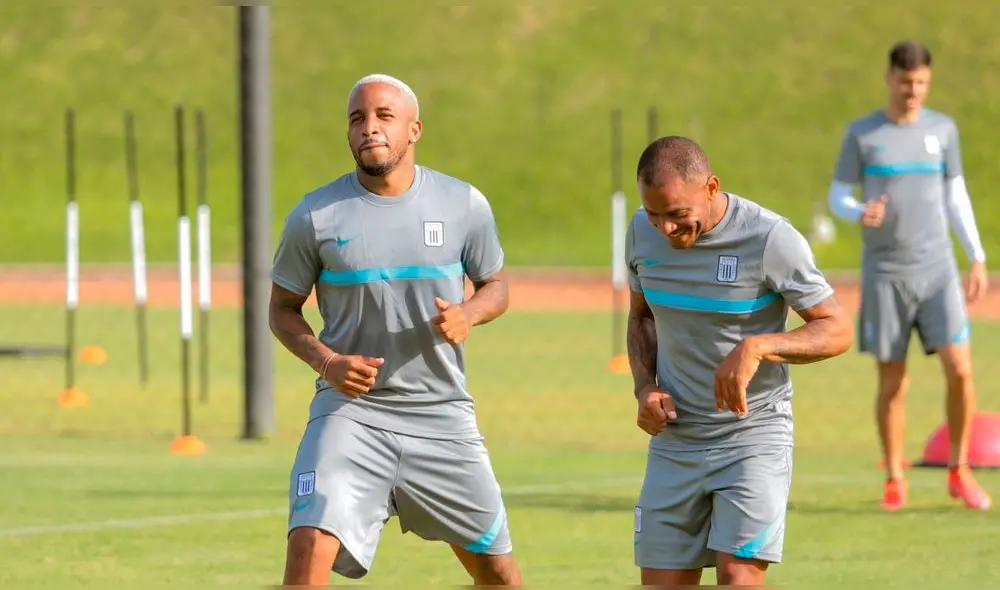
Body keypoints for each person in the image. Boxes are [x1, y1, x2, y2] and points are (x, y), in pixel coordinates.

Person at [268, 73, 522, 586]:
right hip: (350, 413)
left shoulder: (463, 204)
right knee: (308, 542)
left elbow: (495, 286)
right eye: (357, 119)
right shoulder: (314, 215)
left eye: (384, 116)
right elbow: (282, 309)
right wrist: (327, 362)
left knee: (498, 574)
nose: (370, 128)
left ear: (414, 129)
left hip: (441, 414)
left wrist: (469, 313)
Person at [627, 136, 853, 586]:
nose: (665, 228)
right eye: (654, 214)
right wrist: (644, 387)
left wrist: (758, 347)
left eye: (677, 214)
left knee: (739, 578)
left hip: (752, 437)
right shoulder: (640, 231)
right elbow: (641, 317)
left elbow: (838, 328)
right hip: (675, 440)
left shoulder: (769, 238)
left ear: (711, 187)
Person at [828, 40, 991, 511]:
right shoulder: (863, 134)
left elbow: (956, 195)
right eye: (905, 81)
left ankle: (959, 470)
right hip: (886, 272)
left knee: (960, 368)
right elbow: (838, 196)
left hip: (937, 269)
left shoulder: (943, 130)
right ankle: (895, 478)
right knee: (893, 381)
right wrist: (859, 211)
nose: (913, 90)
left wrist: (976, 255)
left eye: (921, 82)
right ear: (889, 79)